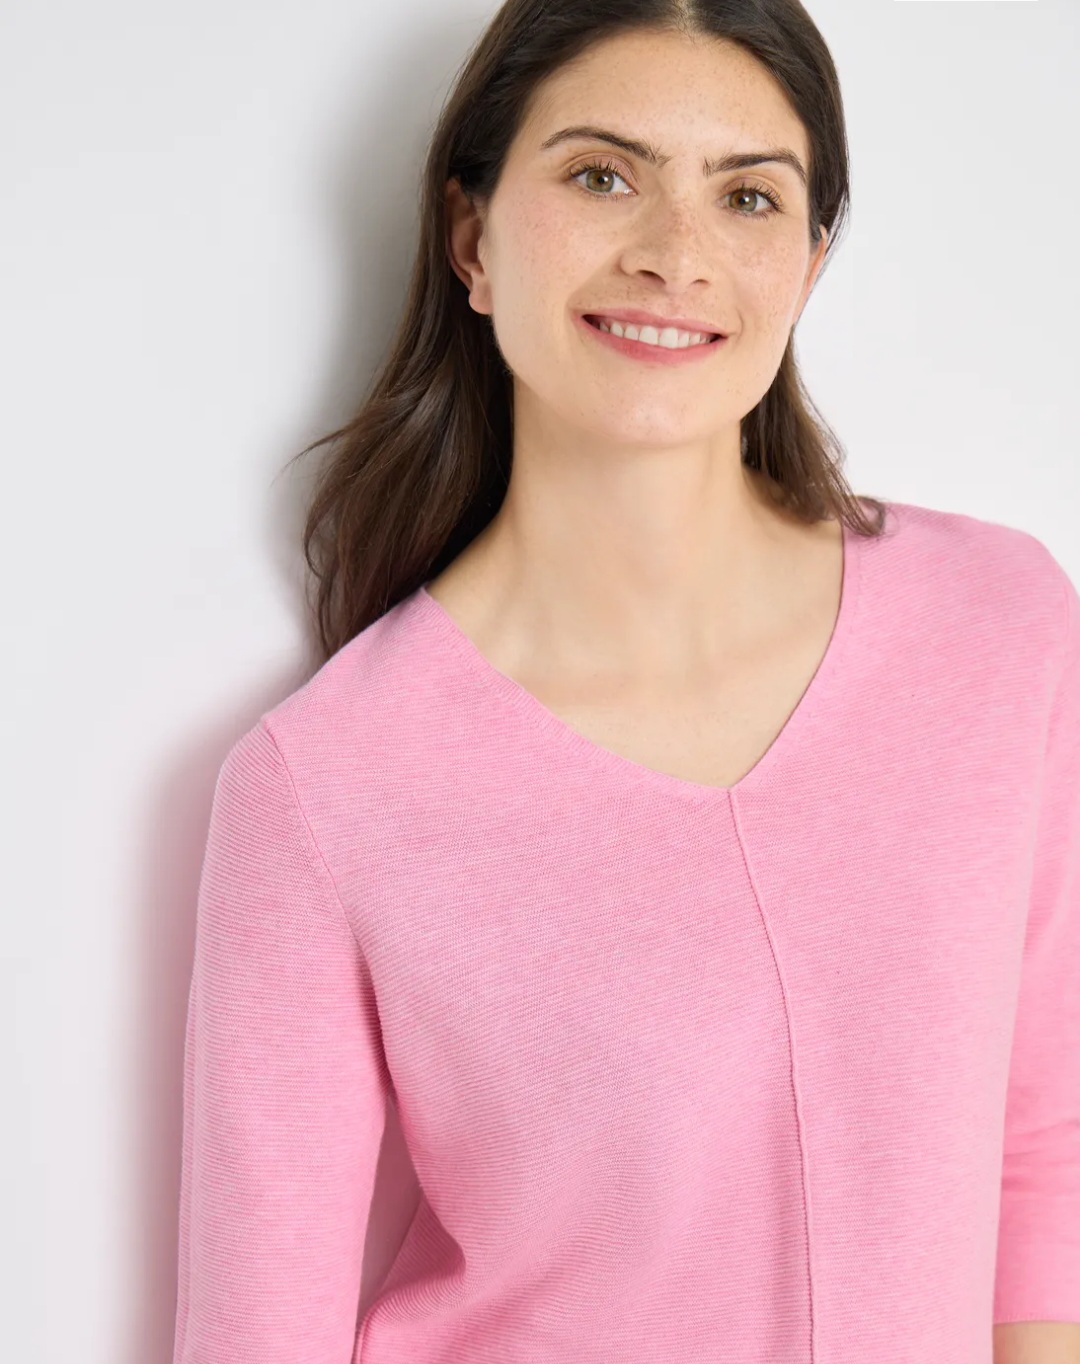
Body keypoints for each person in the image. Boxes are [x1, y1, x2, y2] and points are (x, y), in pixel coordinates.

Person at [171, 2, 1080, 1361]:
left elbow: (1046, 1149)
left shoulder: (1000, 627)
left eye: (748, 196)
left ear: (809, 263)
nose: (675, 254)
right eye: (603, 176)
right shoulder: (327, 789)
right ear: (473, 238)